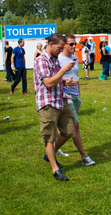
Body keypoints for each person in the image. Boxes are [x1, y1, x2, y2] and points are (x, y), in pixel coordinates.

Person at [35, 34, 78, 181]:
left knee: (69, 130)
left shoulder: (54, 59)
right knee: (50, 136)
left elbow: (56, 79)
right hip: (47, 102)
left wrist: (66, 82)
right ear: (51, 44)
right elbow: (48, 83)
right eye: (59, 47)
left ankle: (50, 155)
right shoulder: (41, 60)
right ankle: (55, 170)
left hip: (60, 99)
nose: (61, 50)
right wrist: (64, 70)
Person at [58, 38, 96, 165]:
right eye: (71, 44)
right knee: (75, 125)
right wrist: (64, 83)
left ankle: (53, 149)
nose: (75, 46)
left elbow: (76, 77)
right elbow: (54, 78)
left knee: (64, 125)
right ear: (64, 45)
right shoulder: (58, 59)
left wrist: (79, 94)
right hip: (65, 95)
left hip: (75, 96)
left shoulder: (75, 58)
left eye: (76, 43)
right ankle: (84, 156)